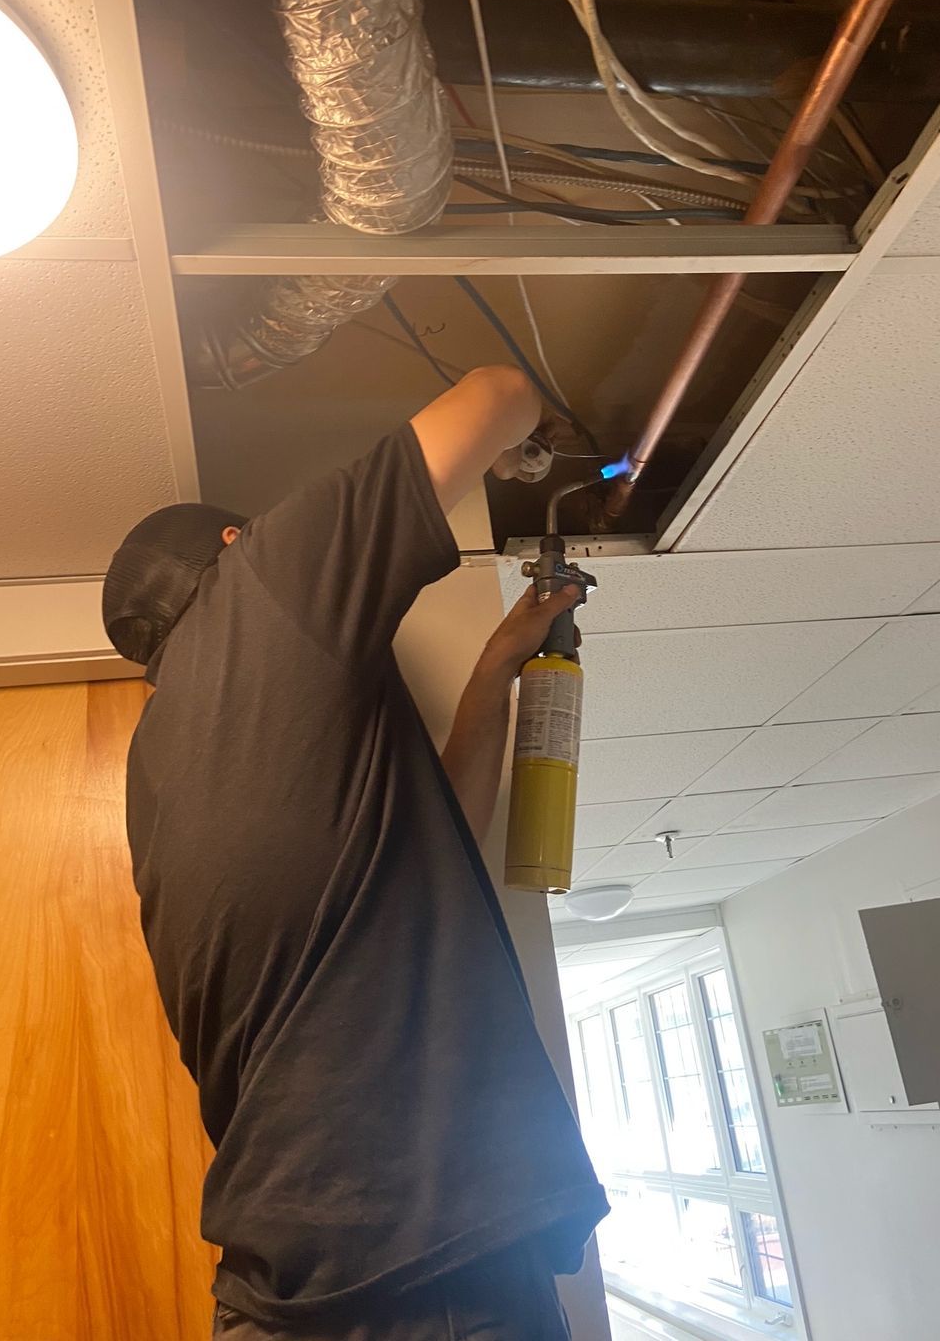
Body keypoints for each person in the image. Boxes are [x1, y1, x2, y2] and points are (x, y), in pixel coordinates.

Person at [102, 366, 609, 1341]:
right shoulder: (264, 584)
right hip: (419, 1270)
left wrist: (497, 663)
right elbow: (496, 391)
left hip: (289, 1290)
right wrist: (529, 429)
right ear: (232, 544)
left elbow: (427, 859)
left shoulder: (155, 774)